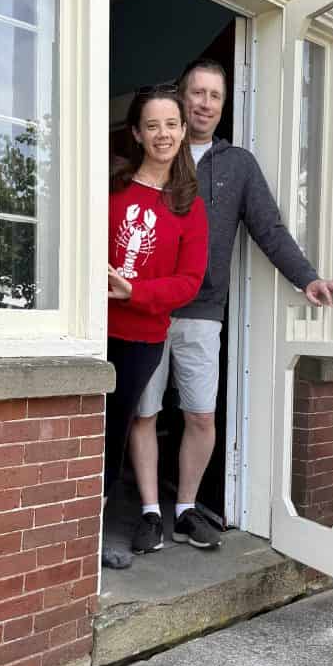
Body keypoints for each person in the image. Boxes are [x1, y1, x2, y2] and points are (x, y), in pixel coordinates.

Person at [129, 58, 333, 553]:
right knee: (143, 413)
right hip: (144, 309)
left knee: (200, 416)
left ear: (222, 106)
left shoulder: (237, 165)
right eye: (197, 93)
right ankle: (147, 511)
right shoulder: (155, 152)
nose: (204, 103)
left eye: (215, 96)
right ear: (180, 98)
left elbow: (268, 228)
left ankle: (184, 508)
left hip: (202, 309)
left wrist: (307, 278)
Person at [104, 84, 209, 569]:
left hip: (142, 337)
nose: (163, 134)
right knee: (92, 428)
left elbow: (189, 281)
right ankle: (84, 531)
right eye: (152, 125)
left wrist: (136, 293)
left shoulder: (189, 205)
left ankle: (99, 528)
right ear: (137, 134)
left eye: (171, 124)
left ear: (184, 131)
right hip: (94, 329)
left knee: (120, 426)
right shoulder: (114, 188)